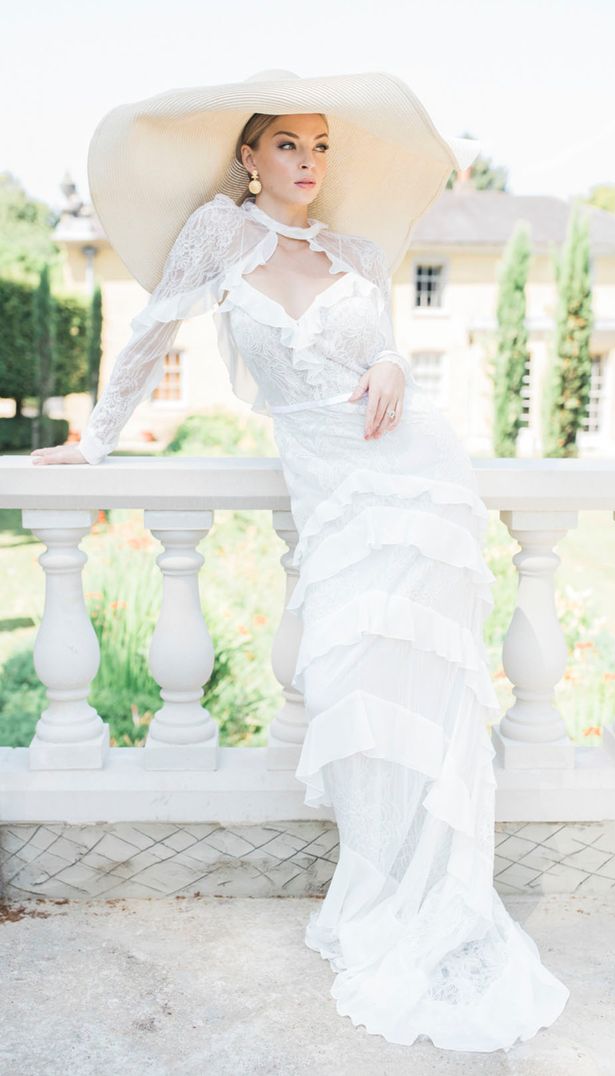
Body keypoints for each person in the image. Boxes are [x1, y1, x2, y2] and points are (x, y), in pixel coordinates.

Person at [30, 70, 570, 1051]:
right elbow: (151, 336)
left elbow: (383, 353)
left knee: (429, 698)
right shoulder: (219, 237)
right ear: (247, 155)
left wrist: (398, 364)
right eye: (287, 144)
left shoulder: (353, 252)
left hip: (418, 489)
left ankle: (438, 901)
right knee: (349, 686)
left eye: (320, 146)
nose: (307, 163)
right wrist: (98, 444)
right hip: (336, 503)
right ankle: (384, 895)